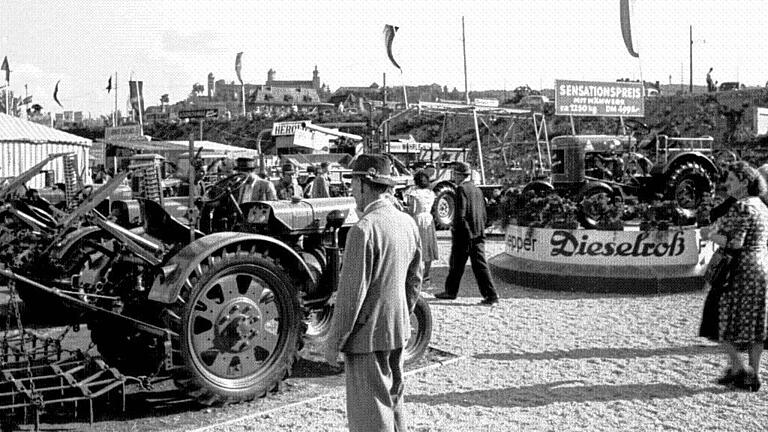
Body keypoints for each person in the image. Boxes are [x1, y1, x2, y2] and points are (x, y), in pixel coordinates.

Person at [324, 154, 422, 432]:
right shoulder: (407, 223)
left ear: (365, 184)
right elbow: (414, 281)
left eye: (353, 183)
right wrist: (402, 316)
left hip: (366, 338)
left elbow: (350, 297)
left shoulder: (363, 229)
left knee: (370, 416)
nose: (352, 192)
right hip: (397, 330)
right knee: (394, 402)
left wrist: (333, 342)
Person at [700, 161, 768, 391]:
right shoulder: (760, 205)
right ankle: (752, 374)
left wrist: (709, 234)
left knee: (722, 321)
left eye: (730, 180)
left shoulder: (741, 207)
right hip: (760, 267)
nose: (726, 184)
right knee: (755, 324)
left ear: (744, 182)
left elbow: (734, 243)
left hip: (740, 269)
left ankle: (740, 368)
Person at [435, 162, 499, 305]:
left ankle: (452, 292)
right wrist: (480, 230)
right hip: (478, 233)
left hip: (465, 235)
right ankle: (490, 295)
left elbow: (461, 215)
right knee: (476, 265)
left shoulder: (461, 189)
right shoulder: (477, 190)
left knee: (459, 264)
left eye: (455, 174)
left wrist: (461, 231)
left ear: (458, 175)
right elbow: (483, 212)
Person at [407, 170, 438, 288]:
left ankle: (417, 273)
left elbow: (412, 210)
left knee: (417, 247)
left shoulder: (414, 194)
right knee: (428, 247)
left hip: (418, 220)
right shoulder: (431, 193)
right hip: (428, 218)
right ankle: (427, 275)